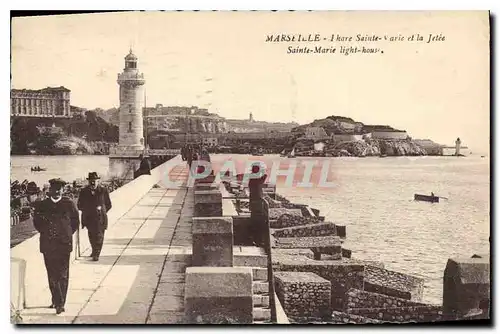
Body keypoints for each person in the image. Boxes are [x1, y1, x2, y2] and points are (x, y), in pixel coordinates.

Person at [33, 178, 79, 314]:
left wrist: (67, 234)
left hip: (64, 244)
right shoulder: (43, 205)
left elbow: (75, 221)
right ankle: (57, 300)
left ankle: (60, 302)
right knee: (52, 274)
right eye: (54, 189)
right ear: (50, 190)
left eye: (59, 189)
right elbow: (37, 222)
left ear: (63, 190)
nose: (57, 191)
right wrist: (46, 233)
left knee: (63, 274)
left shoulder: (68, 204)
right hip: (48, 244)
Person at [77, 172, 112, 261]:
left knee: (99, 236)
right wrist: (87, 210)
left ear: (98, 181)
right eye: (91, 181)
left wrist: (102, 211)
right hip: (89, 218)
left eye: (94, 181)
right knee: (91, 235)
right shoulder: (84, 191)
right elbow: (79, 205)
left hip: (100, 218)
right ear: (88, 181)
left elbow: (108, 204)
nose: (93, 183)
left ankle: (97, 253)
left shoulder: (103, 190)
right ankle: (94, 250)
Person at [248, 163, 268, 247]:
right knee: (259, 224)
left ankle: (256, 240)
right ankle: (258, 241)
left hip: (254, 204)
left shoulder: (252, 179)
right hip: (257, 205)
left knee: (255, 223)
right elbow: (264, 177)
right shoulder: (255, 180)